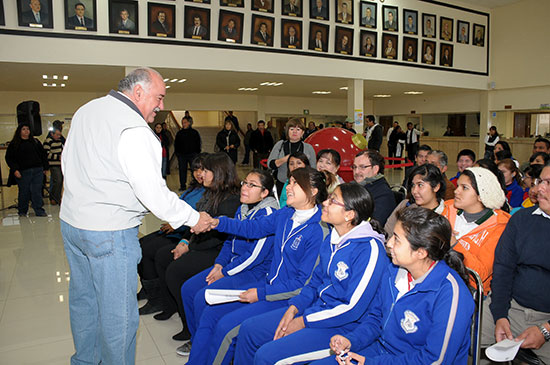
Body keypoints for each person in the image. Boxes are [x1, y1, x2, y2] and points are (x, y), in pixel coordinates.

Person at [59, 67, 210, 364]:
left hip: (73, 224)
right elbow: (154, 194)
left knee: (84, 302)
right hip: (109, 232)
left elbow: (68, 163)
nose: (162, 106)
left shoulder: (87, 110)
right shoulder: (135, 130)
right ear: (138, 92)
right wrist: (195, 219)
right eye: (160, 97)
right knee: (118, 314)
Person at [236, 183, 390, 364]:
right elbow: (315, 282)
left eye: (333, 201)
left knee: (268, 356)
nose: (324, 203)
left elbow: (352, 308)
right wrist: (294, 308)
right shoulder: (332, 239)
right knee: (250, 330)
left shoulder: (369, 249)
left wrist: (302, 321)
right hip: (316, 310)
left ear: (349, 215)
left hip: (343, 326)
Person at [193, 167, 329, 364]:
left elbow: (301, 284)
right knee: (212, 313)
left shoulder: (319, 231)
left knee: (227, 328)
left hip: (286, 297)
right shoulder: (285, 214)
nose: (288, 188)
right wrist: (216, 222)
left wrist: (261, 293)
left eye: (295, 184)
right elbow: (252, 228)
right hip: (268, 286)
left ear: (313, 191)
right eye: (289, 182)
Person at [312, 206, 474, 365]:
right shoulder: (393, 271)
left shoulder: (450, 293)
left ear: (421, 252)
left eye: (397, 239)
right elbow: (376, 318)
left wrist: (373, 363)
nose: (389, 243)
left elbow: (435, 359)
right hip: (380, 352)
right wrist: (351, 340)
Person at [178, 169, 279, 358]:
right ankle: (199, 340)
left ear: (265, 193)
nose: (245, 188)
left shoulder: (268, 213)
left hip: (252, 273)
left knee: (202, 297)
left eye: (252, 185)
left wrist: (225, 272)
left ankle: (204, 350)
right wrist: (218, 265)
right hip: (231, 267)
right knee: (188, 289)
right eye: (244, 183)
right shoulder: (243, 207)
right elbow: (229, 241)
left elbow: (254, 257)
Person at [153, 153, 241, 341]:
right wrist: (185, 242)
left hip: (218, 250)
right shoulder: (210, 193)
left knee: (176, 271)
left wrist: (190, 247)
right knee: (163, 257)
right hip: (202, 243)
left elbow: (219, 236)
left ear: (218, 173)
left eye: (206, 170)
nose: (201, 174)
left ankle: (191, 327)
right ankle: (170, 306)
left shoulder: (232, 199)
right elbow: (196, 221)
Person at [481, 163, 550, 364]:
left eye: (548, 183)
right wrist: (500, 315)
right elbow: (503, 269)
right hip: (512, 307)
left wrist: (545, 330)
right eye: (540, 182)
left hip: (547, 317)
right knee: (468, 335)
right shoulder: (521, 219)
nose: (539, 189)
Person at [138, 153, 207, 315]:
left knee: (149, 251)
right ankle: (148, 290)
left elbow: (197, 219)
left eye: (203, 169)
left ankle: (157, 300)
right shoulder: (193, 188)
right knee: (140, 245)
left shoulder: (209, 193)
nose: (198, 173)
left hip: (184, 234)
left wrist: (175, 225)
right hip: (174, 228)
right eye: (196, 169)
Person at [442, 167, 510, 293]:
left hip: (467, 287)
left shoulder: (499, 227)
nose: (456, 191)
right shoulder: (447, 208)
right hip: (438, 276)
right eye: (458, 186)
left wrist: (454, 243)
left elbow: (480, 272)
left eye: (464, 188)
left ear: (481, 195)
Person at [385, 163, 447, 237]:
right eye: (413, 185)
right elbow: (387, 233)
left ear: (436, 187)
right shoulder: (405, 206)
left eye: (420, 185)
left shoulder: (446, 215)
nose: (414, 191)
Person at [5, 123, 48, 216]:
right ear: (19, 131)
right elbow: (9, 158)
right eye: (23, 129)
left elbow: (43, 155)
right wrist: (15, 170)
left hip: (37, 170)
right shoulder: (14, 144)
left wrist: (45, 167)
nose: (26, 131)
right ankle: (22, 211)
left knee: (36, 191)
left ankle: (39, 209)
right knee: (24, 192)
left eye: (28, 129)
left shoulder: (35, 142)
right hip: (23, 172)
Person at [268, 118, 316, 196]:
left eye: (298, 129)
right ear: (287, 131)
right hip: (282, 184)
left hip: (302, 185)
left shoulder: (309, 148)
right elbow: (270, 164)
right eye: (292, 129)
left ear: (302, 132)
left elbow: (313, 169)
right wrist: (286, 159)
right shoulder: (280, 145)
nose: (294, 132)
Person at [352, 150, 396, 226]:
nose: (356, 171)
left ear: (375, 169)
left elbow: (374, 226)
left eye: (362, 167)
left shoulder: (383, 195)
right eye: (354, 167)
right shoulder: (354, 187)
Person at [175, 116, 201, 191]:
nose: (183, 124)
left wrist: (197, 153)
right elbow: (176, 144)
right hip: (182, 156)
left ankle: (195, 185)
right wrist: (178, 154)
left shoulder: (194, 133)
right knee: (182, 171)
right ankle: (182, 185)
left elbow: (198, 143)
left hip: (192, 155)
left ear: (189, 123)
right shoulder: (179, 133)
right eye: (182, 123)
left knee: (194, 170)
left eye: (185, 122)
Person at [43, 126, 64, 205]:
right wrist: (57, 157)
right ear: (52, 134)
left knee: (60, 182)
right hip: (53, 164)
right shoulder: (48, 141)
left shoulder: (59, 141)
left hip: (59, 164)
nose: (59, 136)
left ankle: (57, 198)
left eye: (59, 135)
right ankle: (53, 198)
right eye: (57, 135)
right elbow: (46, 154)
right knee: (57, 181)